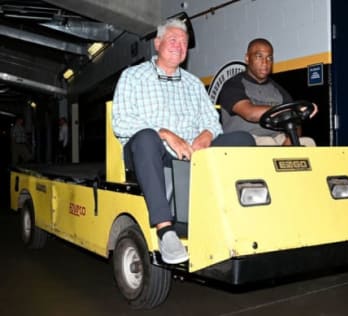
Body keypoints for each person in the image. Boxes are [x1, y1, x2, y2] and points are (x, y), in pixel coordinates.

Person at [112, 18, 254, 264]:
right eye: (173, 40)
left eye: (184, 43)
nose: (179, 46)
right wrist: (165, 134)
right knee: (146, 138)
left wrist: (206, 135)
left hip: (191, 151)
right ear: (157, 43)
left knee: (243, 138)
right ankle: (166, 231)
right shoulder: (132, 77)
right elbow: (121, 122)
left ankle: (239, 214)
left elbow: (212, 121)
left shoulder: (193, 83)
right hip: (148, 151)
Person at [218, 38, 318, 146]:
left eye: (269, 58)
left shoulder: (278, 90)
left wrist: (291, 138)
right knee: (267, 142)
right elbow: (250, 113)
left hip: (276, 138)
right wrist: (287, 112)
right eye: (259, 56)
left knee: (308, 142)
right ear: (247, 58)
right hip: (245, 141)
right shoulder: (233, 85)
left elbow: (295, 123)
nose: (265, 62)